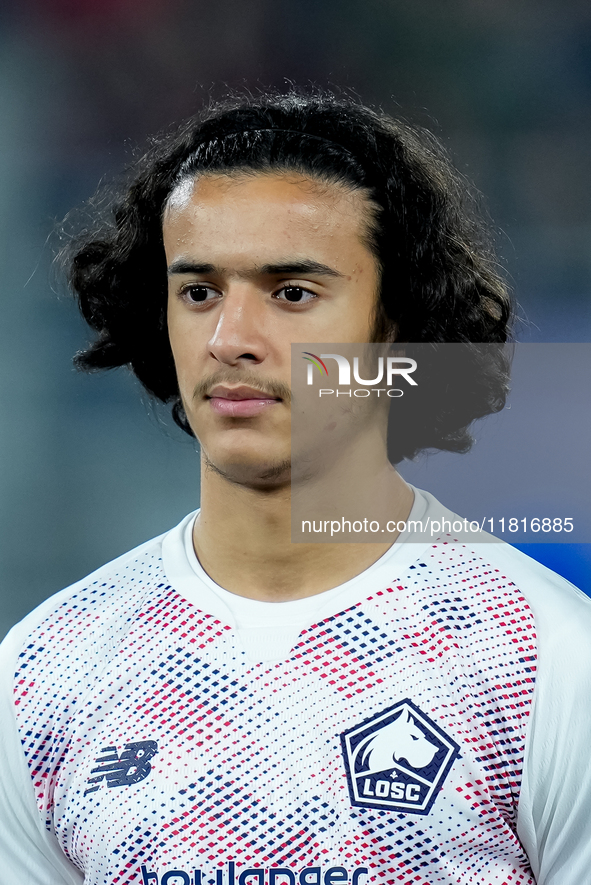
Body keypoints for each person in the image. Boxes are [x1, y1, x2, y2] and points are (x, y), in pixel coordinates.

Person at [0, 92, 589, 885]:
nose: (230, 339)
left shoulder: (545, 657)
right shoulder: (45, 672)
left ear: (395, 326)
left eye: (291, 293)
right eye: (199, 291)